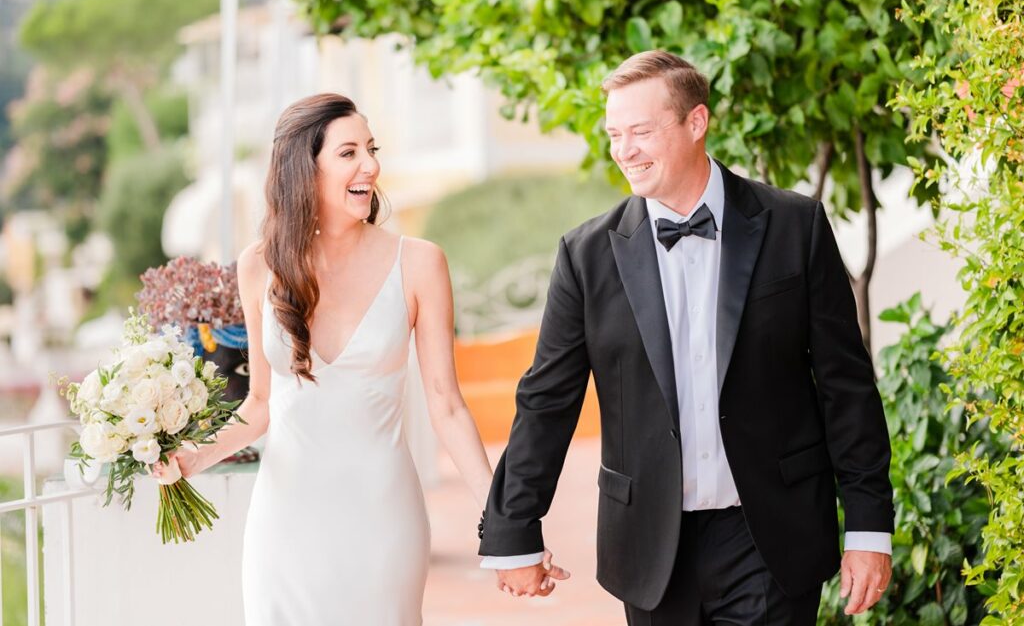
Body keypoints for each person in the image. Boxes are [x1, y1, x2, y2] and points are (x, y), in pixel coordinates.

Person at [478, 51, 894, 625]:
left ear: (695, 123)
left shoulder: (794, 227)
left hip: (770, 536)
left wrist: (869, 527)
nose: (624, 150)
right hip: (649, 546)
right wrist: (512, 529)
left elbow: (846, 386)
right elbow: (546, 401)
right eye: (614, 134)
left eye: (641, 132)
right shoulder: (586, 256)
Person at [153, 93, 513, 625]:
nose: (371, 165)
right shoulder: (257, 266)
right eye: (349, 153)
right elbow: (260, 403)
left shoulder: (418, 263)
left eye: (372, 148)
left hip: (383, 520)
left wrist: (503, 518)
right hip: (285, 524)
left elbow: (447, 406)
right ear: (305, 169)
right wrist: (191, 458)